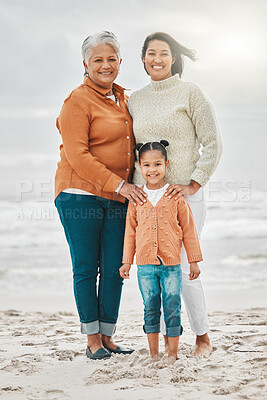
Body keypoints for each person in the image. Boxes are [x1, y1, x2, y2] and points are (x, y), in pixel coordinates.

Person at [128, 32, 223, 357]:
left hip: (184, 198)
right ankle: (169, 345)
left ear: (173, 58)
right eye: (151, 52)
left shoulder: (190, 93)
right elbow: (132, 151)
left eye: (164, 53)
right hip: (147, 199)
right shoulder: (135, 99)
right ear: (143, 59)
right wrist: (131, 187)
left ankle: (202, 338)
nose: (157, 58)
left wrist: (195, 182)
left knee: (181, 270)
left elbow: (213, 142)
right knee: (156, 273)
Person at [54, 31, 147, 360]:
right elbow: (78, 156)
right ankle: (92, 339)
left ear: (120, 63)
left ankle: (107, 336)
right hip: (79, 193)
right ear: (85, 64)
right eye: (98, 60)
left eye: (111, 59)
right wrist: (121, 185)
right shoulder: (76, 101)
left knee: (115, 268)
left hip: (118, 196)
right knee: (86, 267)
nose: (105, 65)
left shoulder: (124, 99)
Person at [120, 141, 203, 363]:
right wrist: (127, 262)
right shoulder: (137, 198)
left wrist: (194, 261)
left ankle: (173, 353)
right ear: (139, 166)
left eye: (157, 164)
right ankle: (154, 354)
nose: (152, 170)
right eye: (147, 165)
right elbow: (130, 232)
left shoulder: (175, 195)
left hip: (172, 265)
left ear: (167, 164)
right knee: (150, 307)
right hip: (145, 266)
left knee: (172, 306)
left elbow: (189, 230)